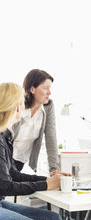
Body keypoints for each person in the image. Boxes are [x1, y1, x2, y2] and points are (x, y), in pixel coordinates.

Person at [0, 82, 62, 220]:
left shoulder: (5, 136)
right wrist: (45, 184)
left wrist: (48, 180)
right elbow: (5, 186)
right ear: (17, 108)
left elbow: (13, 174)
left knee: (53, 218)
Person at [11, 69, 60, 173]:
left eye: (50, 88)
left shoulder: (48, 107)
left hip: (23, 164)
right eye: (45, 88)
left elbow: (51, 137)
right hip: (5, 160)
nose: (49, 92)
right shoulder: (17, 105)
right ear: (32, 89)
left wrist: (54, 169)